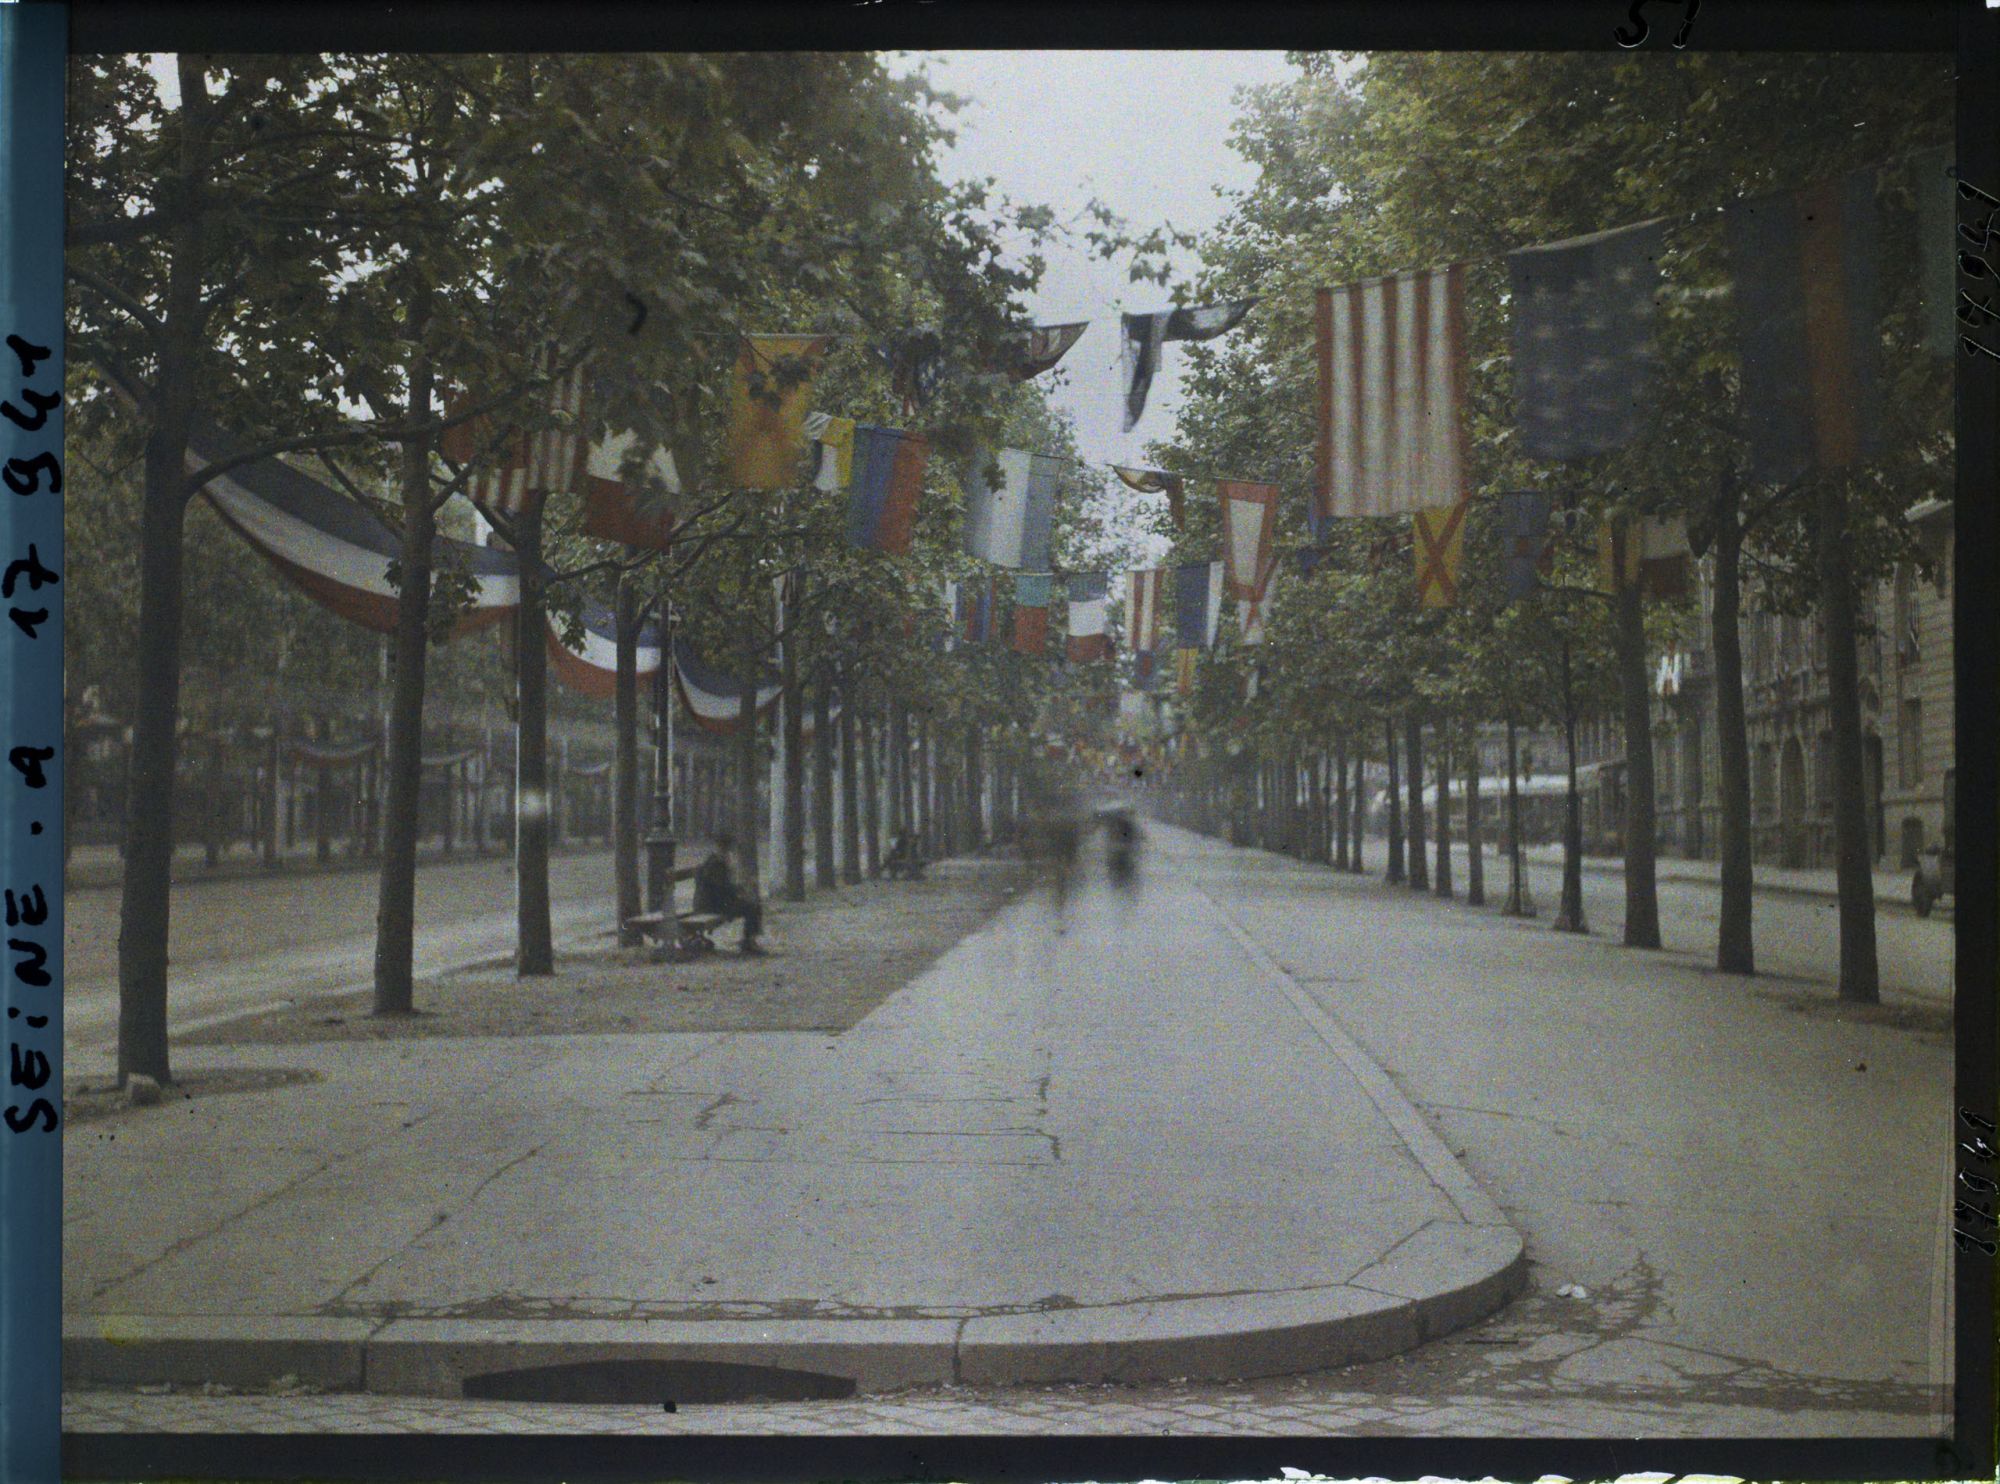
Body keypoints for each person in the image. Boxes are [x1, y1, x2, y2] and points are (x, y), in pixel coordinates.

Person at [693, 831, 764, 955]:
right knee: (752, 907)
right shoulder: (715, 864)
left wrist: (737, 891)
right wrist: (738, 892)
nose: (730, 854)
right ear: (723, 848)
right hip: (711, 906)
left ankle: (749, 940)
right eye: (728, 850)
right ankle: (748, 942)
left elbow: (722, 888)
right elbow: (720, 890)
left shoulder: (716, 861)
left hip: (712, 902)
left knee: (751, 905)